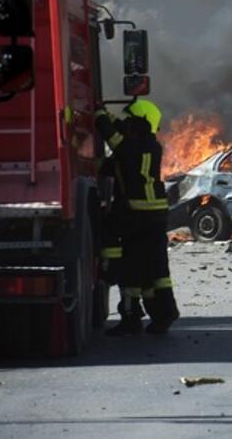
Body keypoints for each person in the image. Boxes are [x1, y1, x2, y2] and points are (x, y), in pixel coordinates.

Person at [95, 99, 180, 335]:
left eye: (132, 121)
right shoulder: (147, 146)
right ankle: (150, 316)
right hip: (150, 216)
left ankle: (139, 313)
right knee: (148, 268)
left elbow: (115, 140)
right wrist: (110, 118)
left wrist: (100, 116)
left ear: (140, 125)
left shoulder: (134, 148)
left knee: (136, 266)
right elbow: (115, 156)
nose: (128, 124)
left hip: (137, 215)